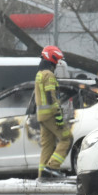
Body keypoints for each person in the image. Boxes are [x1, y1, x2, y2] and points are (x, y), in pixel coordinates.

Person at [36, 45, 73, 180]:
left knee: (47, 146)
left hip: (41, 116)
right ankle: (52, 168)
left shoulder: (39, 74)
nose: (57, 64)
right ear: (51, 59)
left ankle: (42, 175)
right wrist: (58, 115)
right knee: (67, 138)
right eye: (56, 61)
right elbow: (51, 96)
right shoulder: (49, 75)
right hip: (50, 114)